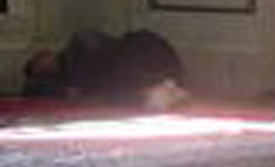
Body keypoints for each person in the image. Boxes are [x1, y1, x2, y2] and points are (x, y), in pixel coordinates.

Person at [22, 29, 189, 110]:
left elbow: (100, 51)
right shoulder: (68, 78)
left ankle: (162, 85)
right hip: (145, 71)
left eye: (40, 61)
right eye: (40, 69)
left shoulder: (76, 46)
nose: (44, 66)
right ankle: (163, 88)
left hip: (146, 57)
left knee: (118, 74)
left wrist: (76, 86)